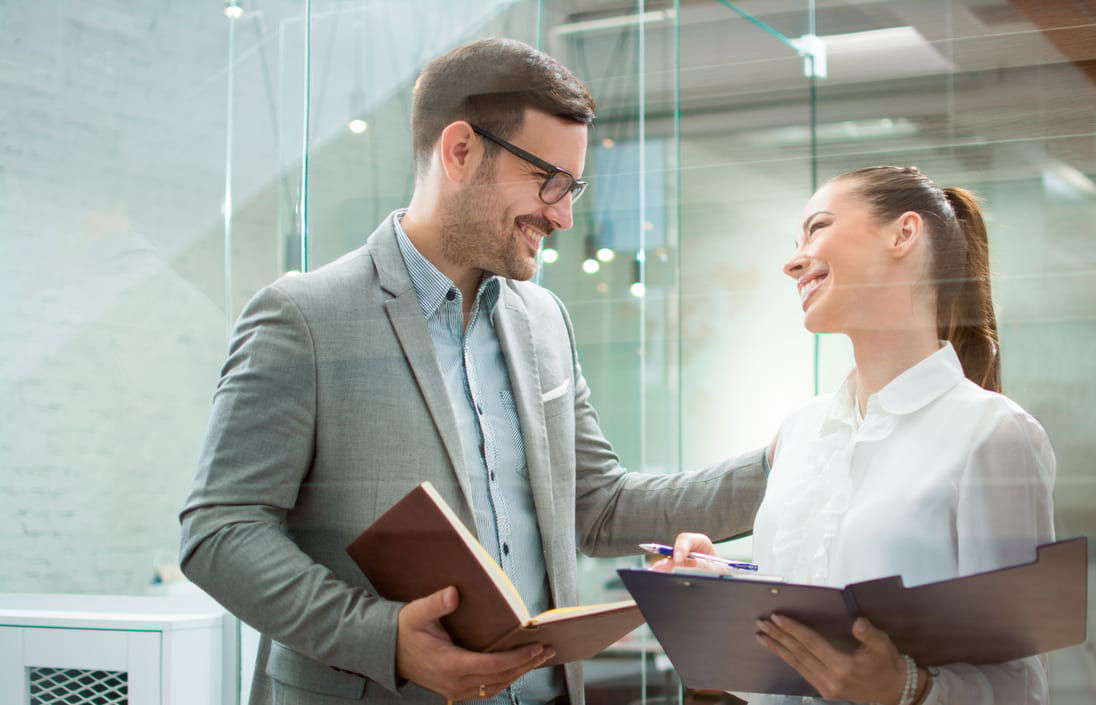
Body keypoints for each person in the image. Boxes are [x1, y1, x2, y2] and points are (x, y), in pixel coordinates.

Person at [178, 38, 768, 705]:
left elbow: (599, 506)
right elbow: (220, 531)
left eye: (572, 189)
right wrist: (384, 635)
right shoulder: (304, 318)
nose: (562, 214)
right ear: (460, 151)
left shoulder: (545, 321)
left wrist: (787, 463)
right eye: (549, 181)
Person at [657, 166, 1056, 705]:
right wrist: (715, 598)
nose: (793, 260)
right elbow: (780, 673)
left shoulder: (994, 435)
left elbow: (1023, 688)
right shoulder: (800, 433)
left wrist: (907, 690)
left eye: (817, 228)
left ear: (903, 234)